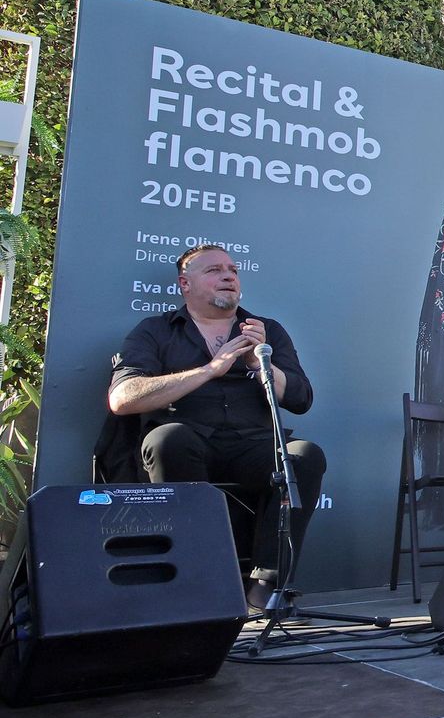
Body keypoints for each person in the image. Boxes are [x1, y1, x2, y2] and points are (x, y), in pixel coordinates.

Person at [109, 244, 325, 607]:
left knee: (304, 455)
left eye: (233, 270)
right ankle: (199, 578)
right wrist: (211, 369)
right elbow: (123, 398)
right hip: (186, 443)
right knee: (169, 440)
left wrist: (262, 366)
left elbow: (301, 399)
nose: (228, 276)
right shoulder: (156, 331)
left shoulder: (267, 331)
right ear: (185, 284)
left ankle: (267, 587)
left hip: (253, 446)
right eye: (214, 270)